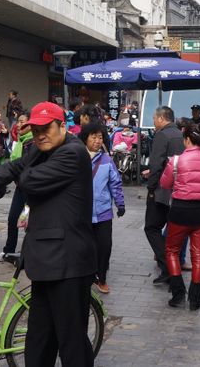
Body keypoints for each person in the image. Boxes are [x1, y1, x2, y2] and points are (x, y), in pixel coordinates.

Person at [0, 102, 96, 366]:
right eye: (35, 130)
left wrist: (21, 168)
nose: (39, 135)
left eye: (45, 129)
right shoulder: (41, 149)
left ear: (62, 126)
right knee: (39, 341)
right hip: (45, 261)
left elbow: (28, 179)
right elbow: (15, 167)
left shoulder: (73, 153)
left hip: (68, 262)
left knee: (71, 344)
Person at [161, 123, 200, 310]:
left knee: (171, 250)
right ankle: (195, 298)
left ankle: (178, 293)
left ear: (187, 140)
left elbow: (165, 183)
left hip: (180, 210)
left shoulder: (176, 161)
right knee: (199, 254)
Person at [79, 122, 125, 295]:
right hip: (81, 213)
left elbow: (115, 183)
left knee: (104, 246)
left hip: (103, 212)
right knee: (83, 246)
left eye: (100, 137)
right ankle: (85, 275)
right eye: (94, 137)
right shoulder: (76, 157)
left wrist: (120, 203)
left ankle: (101, 277)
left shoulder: (107, 160)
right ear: (85, 138)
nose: (98, 141)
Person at [142, 106, 184, 285]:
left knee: (151, 228)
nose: (153, 121)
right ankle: (171, 265)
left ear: (160, 118)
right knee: (171, 231)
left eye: (154, 118)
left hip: (162, 191)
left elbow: (157, 163)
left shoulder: (162, 135)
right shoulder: (181, 135)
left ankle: (168, 267)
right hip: (179, 191)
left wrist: (151, 187)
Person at [0, 113, 32, 262]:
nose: (18, 124)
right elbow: (13, 165)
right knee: (13, 218)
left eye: (22, 122)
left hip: (30, 190)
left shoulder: (33, 143)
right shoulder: (19, 141)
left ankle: (27, 255)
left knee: (28, 222)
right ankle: (8, 252)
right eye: (18, 121)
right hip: (20, 188)